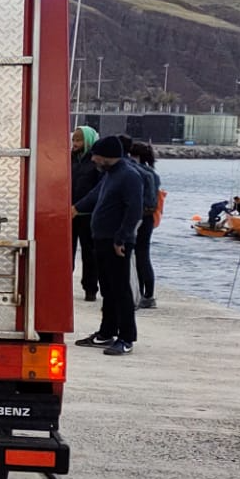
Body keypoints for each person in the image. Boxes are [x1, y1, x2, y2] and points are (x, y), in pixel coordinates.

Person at [72, 136, 146, 356]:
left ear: (106, 156)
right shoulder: (110, 174)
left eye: (95, 155)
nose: (92, 158)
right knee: (108, 289)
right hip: (102, 239)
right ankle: (106, 332)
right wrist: (76, 208)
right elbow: (95, 195)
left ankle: (126, 337)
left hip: (117, 243)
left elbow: (134, 209)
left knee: (121, 290)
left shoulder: (130, 176)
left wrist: (121, 238)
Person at [128, 141, 164, 308]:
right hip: (148, 218)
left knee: (138, 256)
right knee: (144, 255)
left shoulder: (137, 172)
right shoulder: (152, 173)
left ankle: (143, 293)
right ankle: (147, 294)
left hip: (139, 217)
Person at [69, 126, 99, 301]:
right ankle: (65, 286)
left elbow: (97, 190)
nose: (75, 144)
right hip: (69, 214)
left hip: (87, 214)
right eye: (74, 140)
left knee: (90, 254)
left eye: (79, 140)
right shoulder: (69, 159)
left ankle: (90, 288)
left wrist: (80, 206)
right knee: (67, 253)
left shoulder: (95, 161)